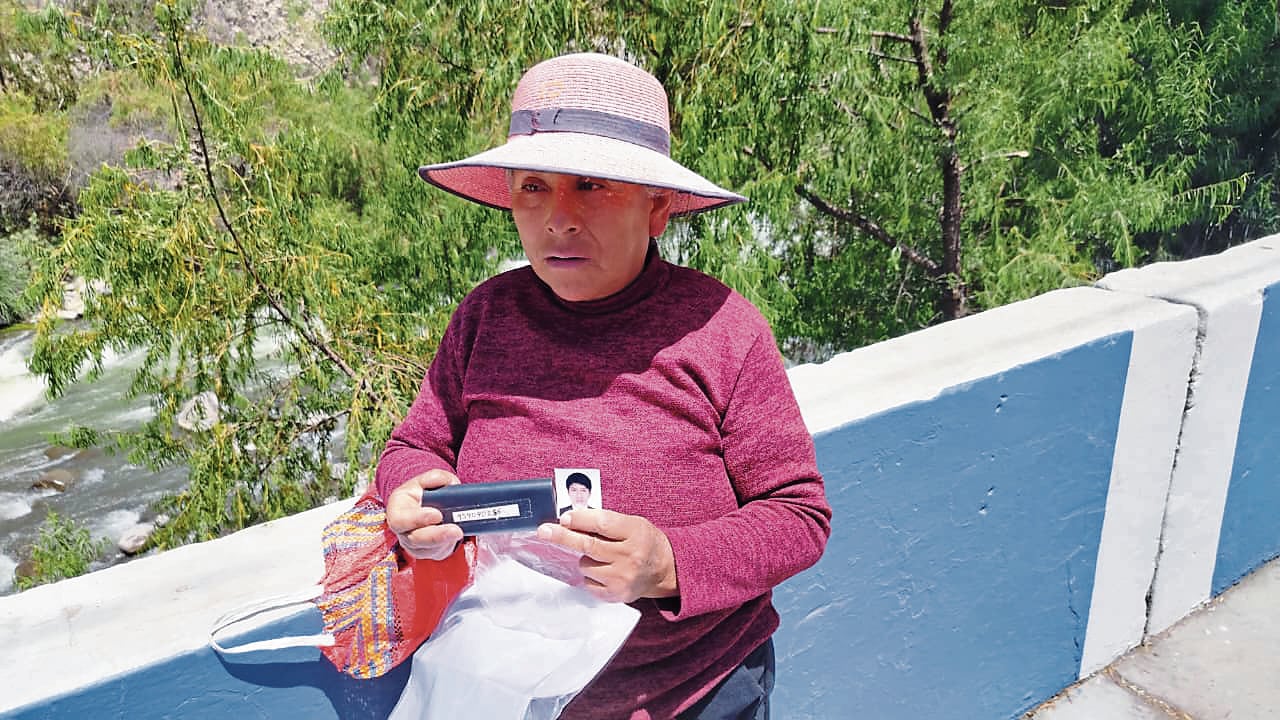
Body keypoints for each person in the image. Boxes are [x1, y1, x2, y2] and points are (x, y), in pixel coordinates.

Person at [377, 52, 831, 720]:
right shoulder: (484, 317)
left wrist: (669, 562)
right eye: (533, 186)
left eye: (591, 185)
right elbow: (413, 445)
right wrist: (412, 492)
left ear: (659, 208)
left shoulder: (723, 330)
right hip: (505, 688)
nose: (557, 217)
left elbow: (799, 517)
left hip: (698, 693)